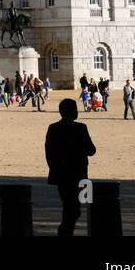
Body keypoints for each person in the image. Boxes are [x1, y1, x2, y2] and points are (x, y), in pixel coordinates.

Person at [45, 98, 97, 237]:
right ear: (73, 111)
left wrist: (55, 168)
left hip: (60, 174)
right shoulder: (81, 127)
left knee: (69, 205)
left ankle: (65, 231)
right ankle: (64, 232)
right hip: (79, 175)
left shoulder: (53, 128)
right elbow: (91, 150)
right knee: (76, 208)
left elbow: (49, 152)